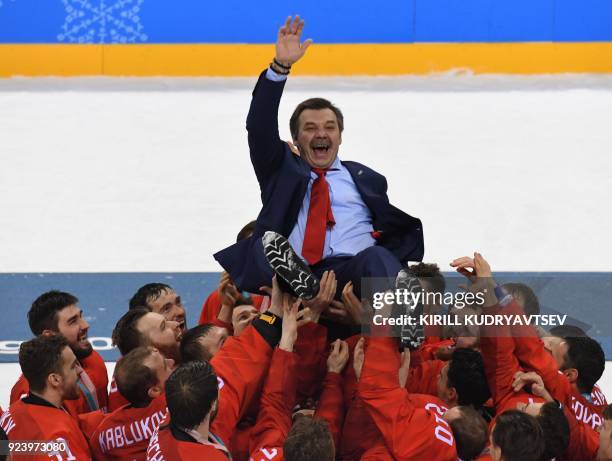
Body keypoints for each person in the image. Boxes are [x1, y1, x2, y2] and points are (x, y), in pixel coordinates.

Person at [213, 16, 424, 347]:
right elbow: (258, 127)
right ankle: (305, 283)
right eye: (310, 128)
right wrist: (280, 67)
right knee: (275, 247)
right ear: (295, 140)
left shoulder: (367, 179)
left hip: (353, 277)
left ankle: (404, 330)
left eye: (329, 126)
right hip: (296, 278)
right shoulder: (281, 171)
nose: (321, 133)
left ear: (340, 136)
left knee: (380, 258)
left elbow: (388, 233)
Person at [10, 290, 108, 415]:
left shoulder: (93, 359)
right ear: (49, 335)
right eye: (73, 321)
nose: (85, 325)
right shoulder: (33, 392)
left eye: (81, 316)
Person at [1, 335, 92, 460]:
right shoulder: (60, 436)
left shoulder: (10, 414)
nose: (79, 370)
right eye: (73, 366)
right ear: (54, 379)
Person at [90, 347, 173, 460]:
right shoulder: (172, 405)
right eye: (166, 366)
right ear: (154, 390)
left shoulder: (102, 433)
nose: (171, 362)